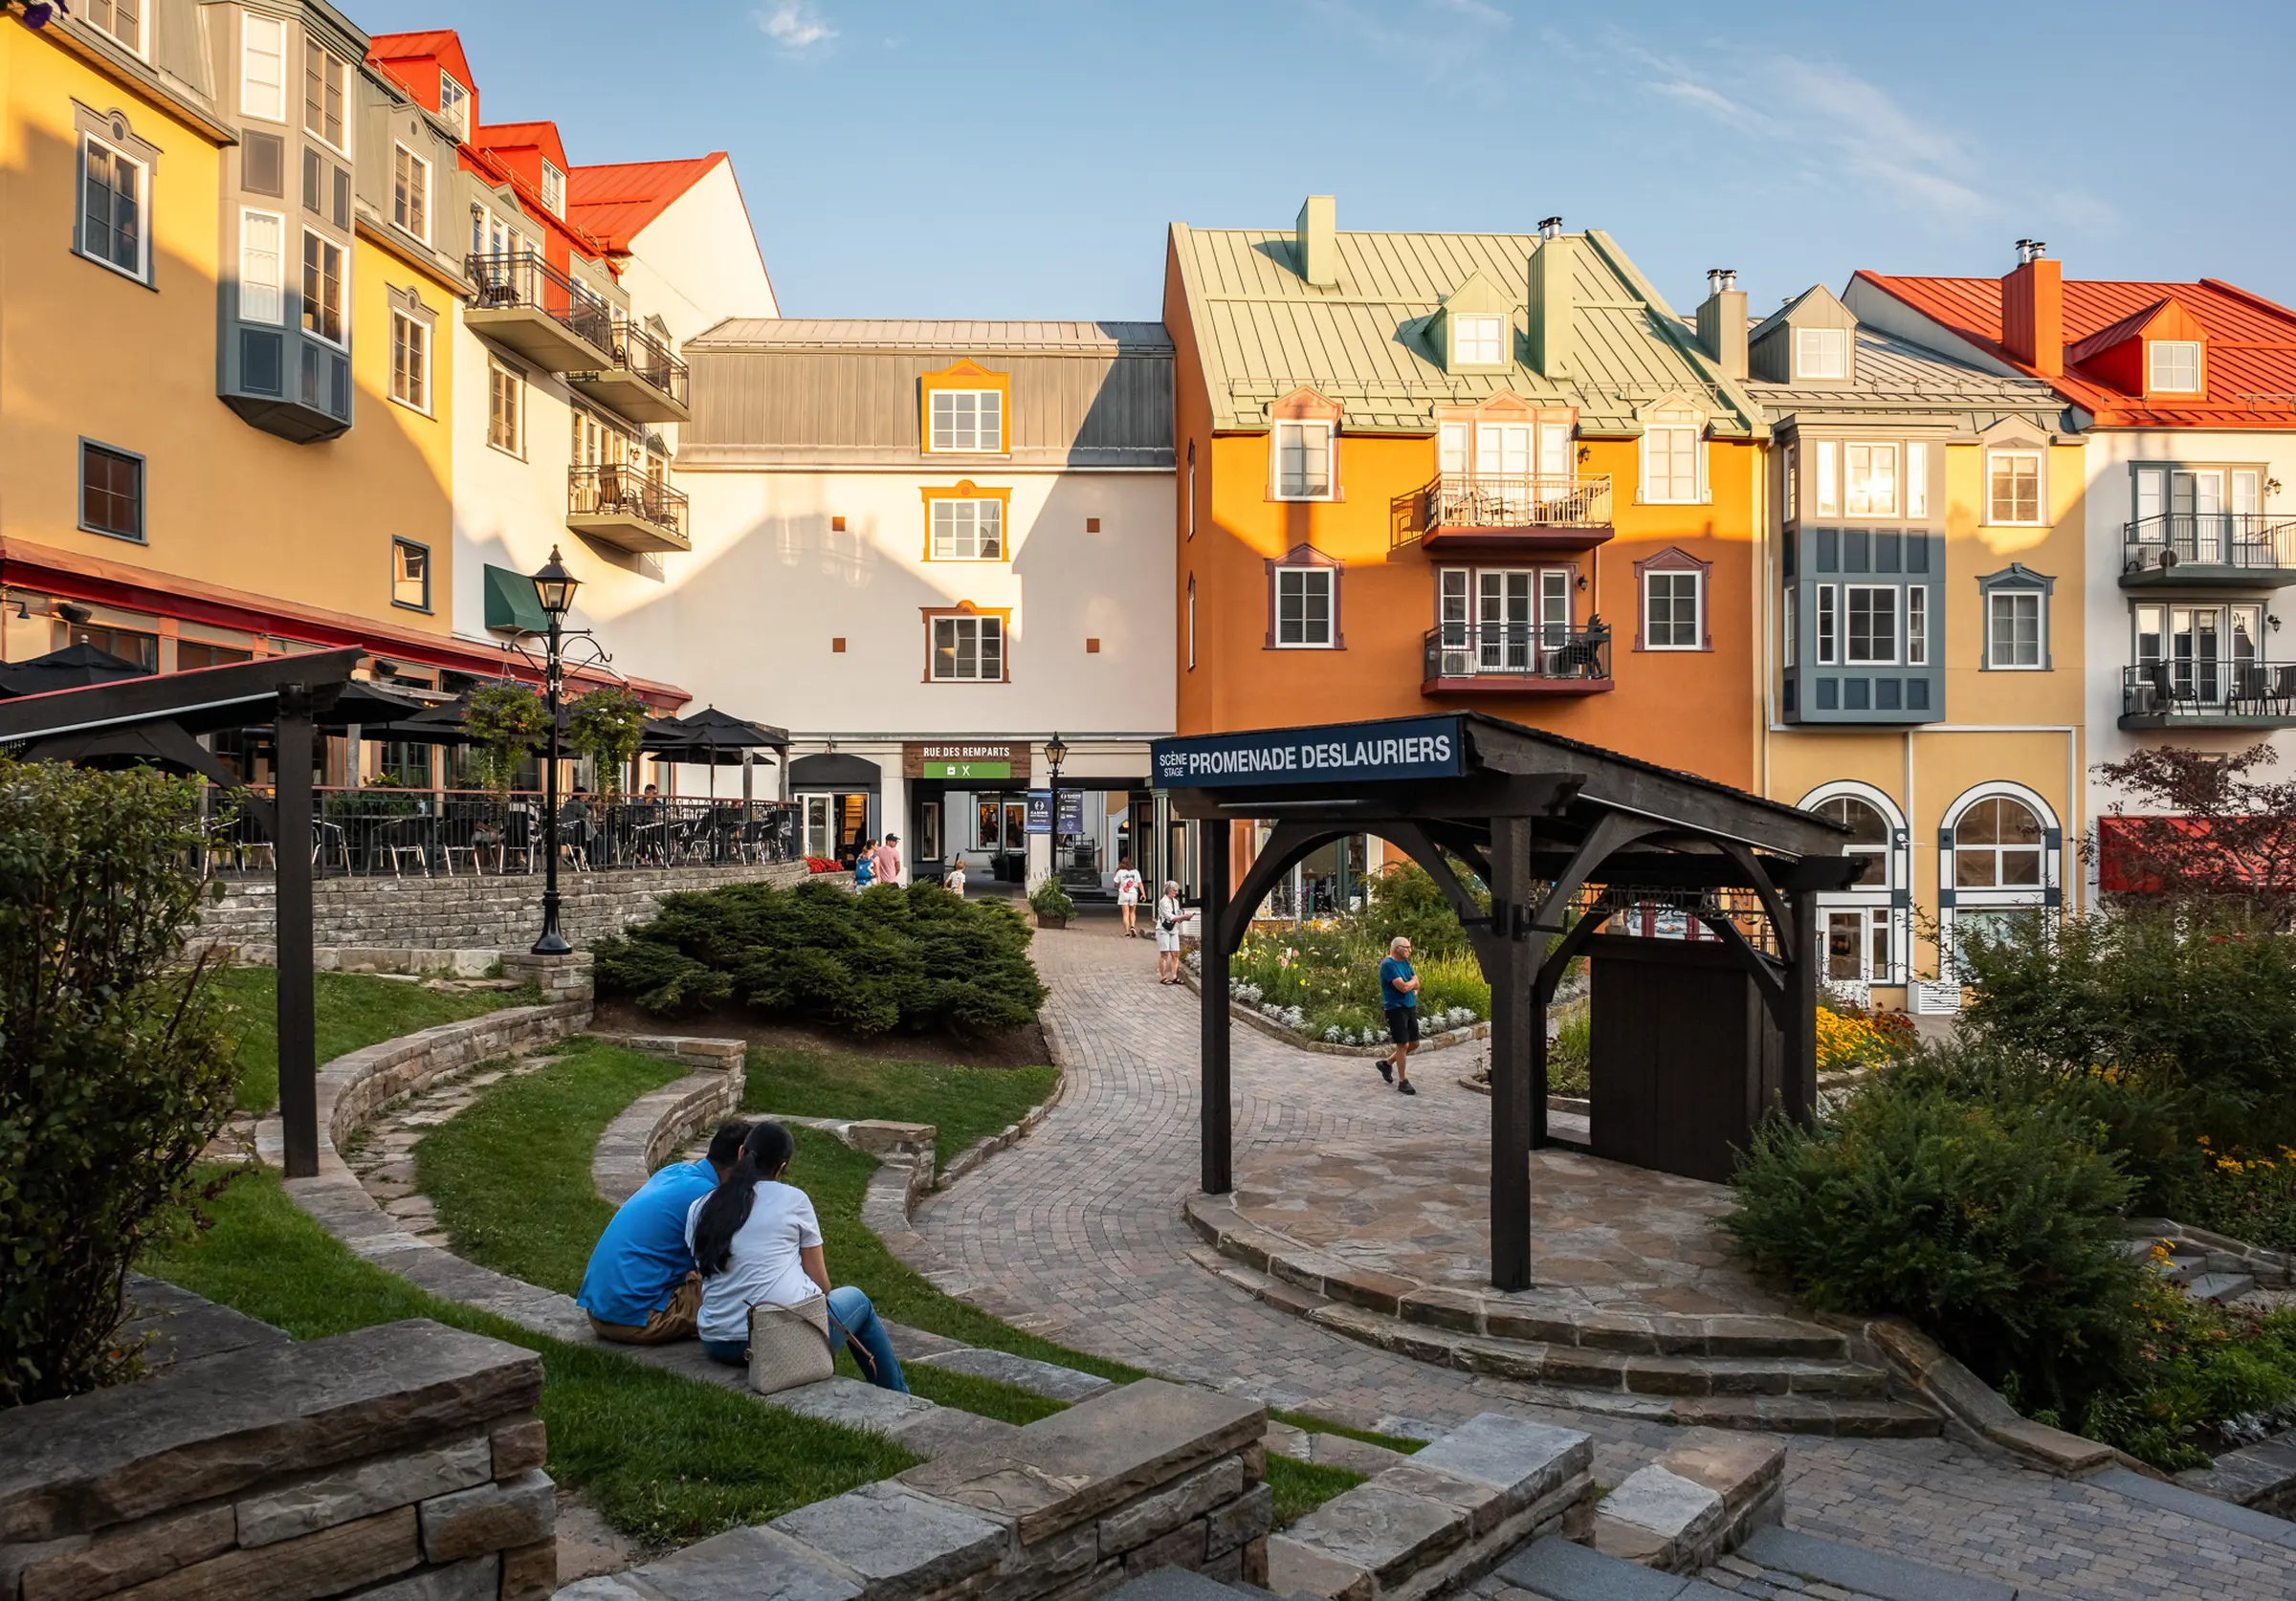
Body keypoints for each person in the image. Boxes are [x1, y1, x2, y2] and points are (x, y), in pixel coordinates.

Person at [686, 1121, 908, 1391]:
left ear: (742, 1152)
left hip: (716, 1340)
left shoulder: (700, 1206)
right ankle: (897, 1393)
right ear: (781, 1168)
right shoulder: (794, 1200)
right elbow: (822, 1286)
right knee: (858, 1301)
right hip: (776, 1343)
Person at [577, 1120, 750, 1344]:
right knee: (744, 1296)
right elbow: (734, 1270)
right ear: (741, 1155)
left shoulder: (675, 1172)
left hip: (600, 1312)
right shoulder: (708, 1199)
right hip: (638, 1319)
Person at [1378, 936, 1421, 1095]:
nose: (1410, 950)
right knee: (1403, 1045)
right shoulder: (1388, 964)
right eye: (1407, 947)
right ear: (1397, 948)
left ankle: (1386, 1064)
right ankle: (1403, 1082)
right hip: (1396, 1008)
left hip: (1410, 1006)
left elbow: (1417, 981)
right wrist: (1412, 984)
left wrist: (1412, 983)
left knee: (1414, 1043)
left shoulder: (1405, 962)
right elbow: (1403, 987)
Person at [1156, 880, 1184, 984]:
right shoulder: (1163, 901)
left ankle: (1174, 976)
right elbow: (1169, 916)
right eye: (1175, 891)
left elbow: (1177, 913)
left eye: (1177, 891)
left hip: (1173, 929)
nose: (1176, 893)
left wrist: (1181, 916)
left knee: (1175, 953)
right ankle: (1163, 977)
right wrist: (1181, 917)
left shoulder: (1175, 902)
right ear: (1169, 890)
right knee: (1164, 953)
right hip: (1163, 929)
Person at [1114, 855, 1145, 938]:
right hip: (1133, 894)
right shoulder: (1135, 872)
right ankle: (1132, 927)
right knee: (1132, 912)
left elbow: (1116, 884)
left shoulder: (1120, 872)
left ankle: (1127, 932)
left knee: (1125, 914)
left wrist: (1119, 881)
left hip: (1123, 894)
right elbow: (1140, 884)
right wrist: (1143, 894)